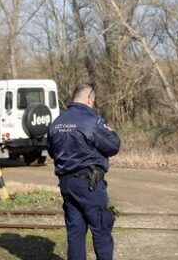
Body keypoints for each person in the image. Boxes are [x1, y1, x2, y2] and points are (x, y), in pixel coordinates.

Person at [48, 82, 121, 260]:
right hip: (89, 184)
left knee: (75, 233)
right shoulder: (91, 121)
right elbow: (113, 146)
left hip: (67, 184)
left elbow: (52, 151)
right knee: (101, 228)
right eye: (93, 101)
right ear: (89, 99)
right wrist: (109, 131)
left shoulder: (56, 123)